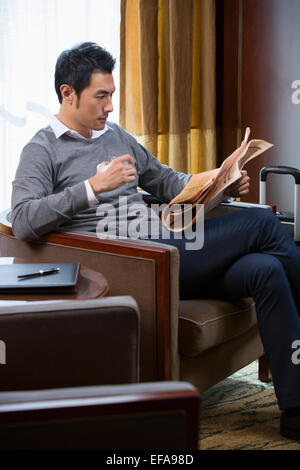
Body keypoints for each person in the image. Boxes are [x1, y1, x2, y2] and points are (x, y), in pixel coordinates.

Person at [11, 42, 300, 441]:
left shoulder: (115, 135)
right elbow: (24, 219)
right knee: (264, 229)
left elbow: (166, 180)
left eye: (112, 95)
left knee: (266, 270)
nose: (110, 106)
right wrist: (93, 187)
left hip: (174, 248)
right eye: (101, 96)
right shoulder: (42, 150)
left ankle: (295, 410)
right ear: (68, 93)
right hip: (140, 264)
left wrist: (219, 182)